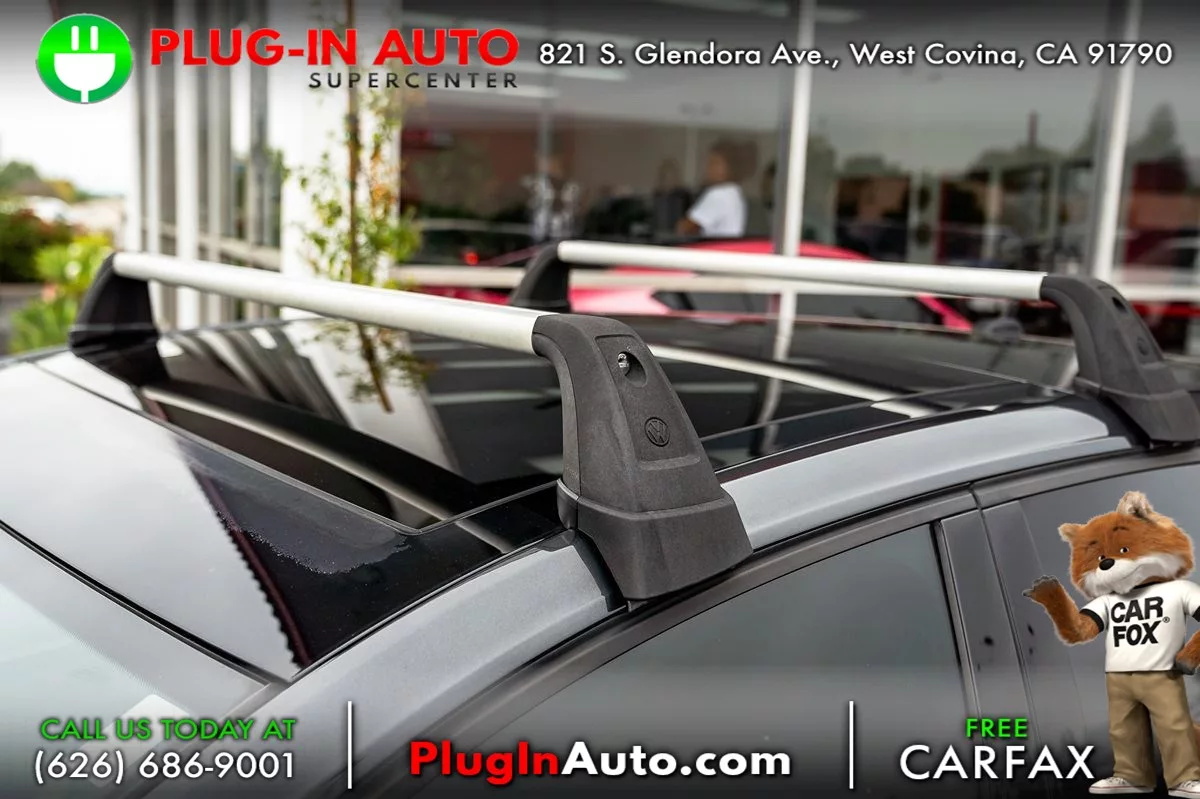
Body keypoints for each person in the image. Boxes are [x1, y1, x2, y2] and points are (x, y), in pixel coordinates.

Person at [677, 139, 754, 238]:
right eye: (709, 163)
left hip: (716, 247)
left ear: (731, 167)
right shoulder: (735, 191)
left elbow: (684, 228)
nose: (709, 168)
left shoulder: (719, 194)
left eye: (715, 163)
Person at [652, 159, 693, 236]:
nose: (668, 179)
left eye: (670, 176)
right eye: (665, 176)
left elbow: (690, 216)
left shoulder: (683, 195)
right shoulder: (657, 195)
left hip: (679, 234)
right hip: (659, 233)